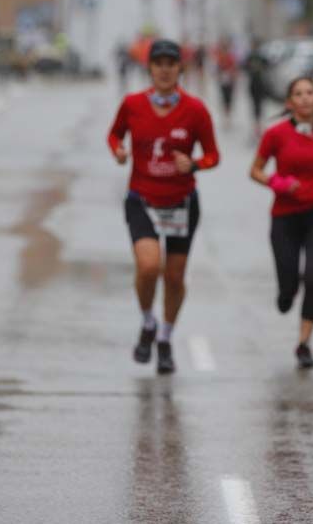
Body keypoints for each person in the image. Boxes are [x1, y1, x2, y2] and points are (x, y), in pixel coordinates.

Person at [108, 39, 220, 374]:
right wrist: (119, 152)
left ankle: (166, 338)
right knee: (148, 266)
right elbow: (114, 135)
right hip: (142, 197)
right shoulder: (132, 104)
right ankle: (147, 321)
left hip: (181, 202)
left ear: (180, 69)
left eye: (171, 63)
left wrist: (195, 164)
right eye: (159, 63)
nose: (165, 69)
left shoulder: (195, 110)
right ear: (150, 69)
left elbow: (214, 154)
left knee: (174, 277)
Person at [250, 77, 313, 369]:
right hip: (284, 216)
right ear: (289, 102)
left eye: (310, 93)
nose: (305, 98)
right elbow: (255, 170)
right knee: (289, 283)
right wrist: (278, 182)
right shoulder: (275, 134)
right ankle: (286, 293)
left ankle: (304, 343)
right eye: (298, 94)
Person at [243, 39, 271, 139]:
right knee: (255, 105)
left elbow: (268, 65)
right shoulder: (250, 57)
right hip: (253, 84)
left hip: (260, 83)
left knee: (259, 104)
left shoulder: (260, 57)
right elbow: (244, 67)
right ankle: (257, 125)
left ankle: (258, 124)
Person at [214, 38, 239, 127]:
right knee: (224, 99)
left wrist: (233, 77)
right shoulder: (220, 57)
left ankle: (228, 117)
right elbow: (217, 70)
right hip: (223, 82)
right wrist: (219, 76)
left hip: (230, 81)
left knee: (229, 99)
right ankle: (226, 118)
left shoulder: (231, 57)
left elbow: (235, 69)